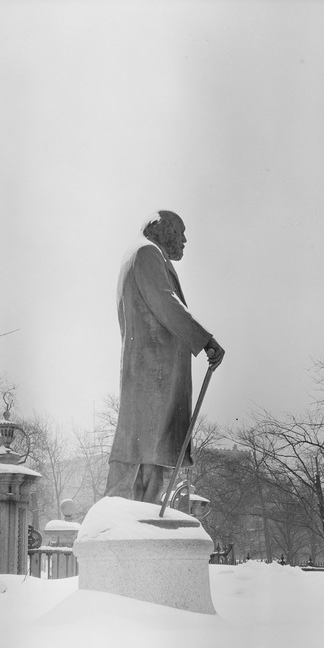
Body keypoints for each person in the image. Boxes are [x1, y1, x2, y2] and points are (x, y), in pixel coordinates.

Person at [104, 210, 225, 503]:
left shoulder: (139, 254)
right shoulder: (146, 252)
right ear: (161, 228)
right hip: (152, 369)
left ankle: (137, 513)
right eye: (180, 233)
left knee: (150, 449)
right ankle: (118, 510)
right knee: (138, 444)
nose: (184, 241)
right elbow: (165, 303)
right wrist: (204, 339)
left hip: (150, 367)